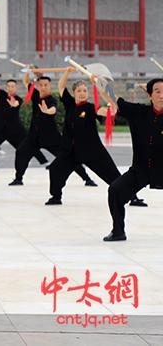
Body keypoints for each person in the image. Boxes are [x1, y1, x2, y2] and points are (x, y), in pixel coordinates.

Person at [96, 79, 162, 241]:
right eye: (158, 91)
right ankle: (118, 231)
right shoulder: (138, 112)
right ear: (149, 95)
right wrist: (100, 83)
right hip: (140, 169)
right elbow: (113, 98)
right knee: (115, 190)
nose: (162, 95)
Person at [45, 68, 121, 205]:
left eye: (85, 90)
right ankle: (56, 197)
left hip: (92, 151)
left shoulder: (90, 108)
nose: (82, 93)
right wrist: (67, 73)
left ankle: (132, 197)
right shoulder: (69, 104)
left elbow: (101, 111)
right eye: (79, 90)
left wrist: (109, 110)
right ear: (73, 93)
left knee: (113, 175)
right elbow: (61, 86)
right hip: (70, 151)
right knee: (55, 169)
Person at [10, 74, 95, 186]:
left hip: (51, 138)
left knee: (68, 156)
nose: (43, 87)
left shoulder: (51, 99)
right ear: (38, 86)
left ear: (49, 86)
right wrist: (27, 71)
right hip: (33, 137)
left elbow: (53, 110)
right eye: (41, 85)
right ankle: (18, 178)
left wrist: (47, 111)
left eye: (46, 85)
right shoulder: (35, 96)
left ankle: (87, 178)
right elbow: (26, 81)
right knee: (21, 152)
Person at [0, 76, 46, 170]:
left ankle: (44, 161)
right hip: (0, 129)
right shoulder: (1, 95)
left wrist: (14, 104)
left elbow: (17, 103)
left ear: (16, 88)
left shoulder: (18, 99)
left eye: (13, 86)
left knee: (29, 145)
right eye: (8, 86)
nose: (10, 88)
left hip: (15, 130)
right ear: (6, 87)